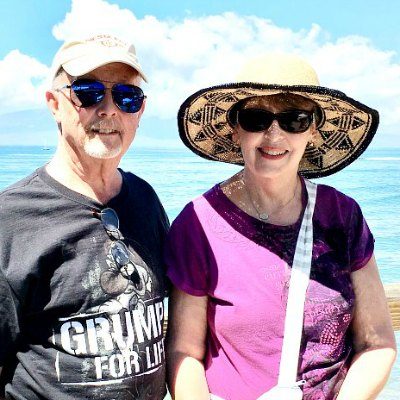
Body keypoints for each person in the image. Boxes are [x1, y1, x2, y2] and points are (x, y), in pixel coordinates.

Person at [164, 54, 397, 400]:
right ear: (235, 128)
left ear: (313, 131)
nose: (274, 134)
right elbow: (184, 352)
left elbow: (377, 342)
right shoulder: (198, 223)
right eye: (256, 119)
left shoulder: (342, 215)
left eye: (294, 120)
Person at [0, 34, 169, 399]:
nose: (109, 109)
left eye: (126, 96)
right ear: (54, 104)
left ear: (140, 111)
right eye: (88, 93)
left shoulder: (145, 200)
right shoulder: (10, 219)